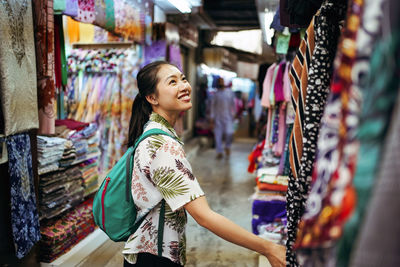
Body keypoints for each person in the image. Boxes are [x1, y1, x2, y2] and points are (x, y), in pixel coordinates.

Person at [123, 61, 286, 267]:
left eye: (183, 78)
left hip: (149, 252)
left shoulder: (156, 132)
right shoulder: (162, 145)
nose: (184, 86)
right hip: (154, 257)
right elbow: (204, 216)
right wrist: (268, 247)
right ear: (152, 98)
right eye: (172, 82)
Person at [209, 78, 235, 159]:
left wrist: (234, 114)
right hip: (218, 118)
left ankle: (227, 146)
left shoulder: (229, 93)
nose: (221, 83)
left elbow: (233, 105)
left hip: (228, 117)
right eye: (220, 82)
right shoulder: (216, 94)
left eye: (222, 81)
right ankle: (219, 151)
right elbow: (212, 106)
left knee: (229, 133)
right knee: (218, 135)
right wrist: (212, 117)